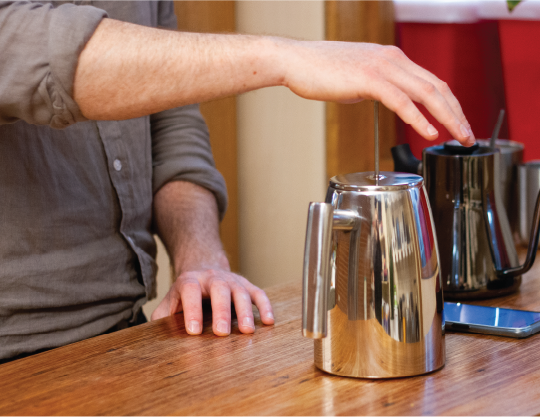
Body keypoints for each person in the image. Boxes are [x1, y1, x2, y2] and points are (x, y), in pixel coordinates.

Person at [0, 0, 475, 362]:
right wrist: (281, 57)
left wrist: (199, 253)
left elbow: (168, 121)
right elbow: (22, 49)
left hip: (123, 333)